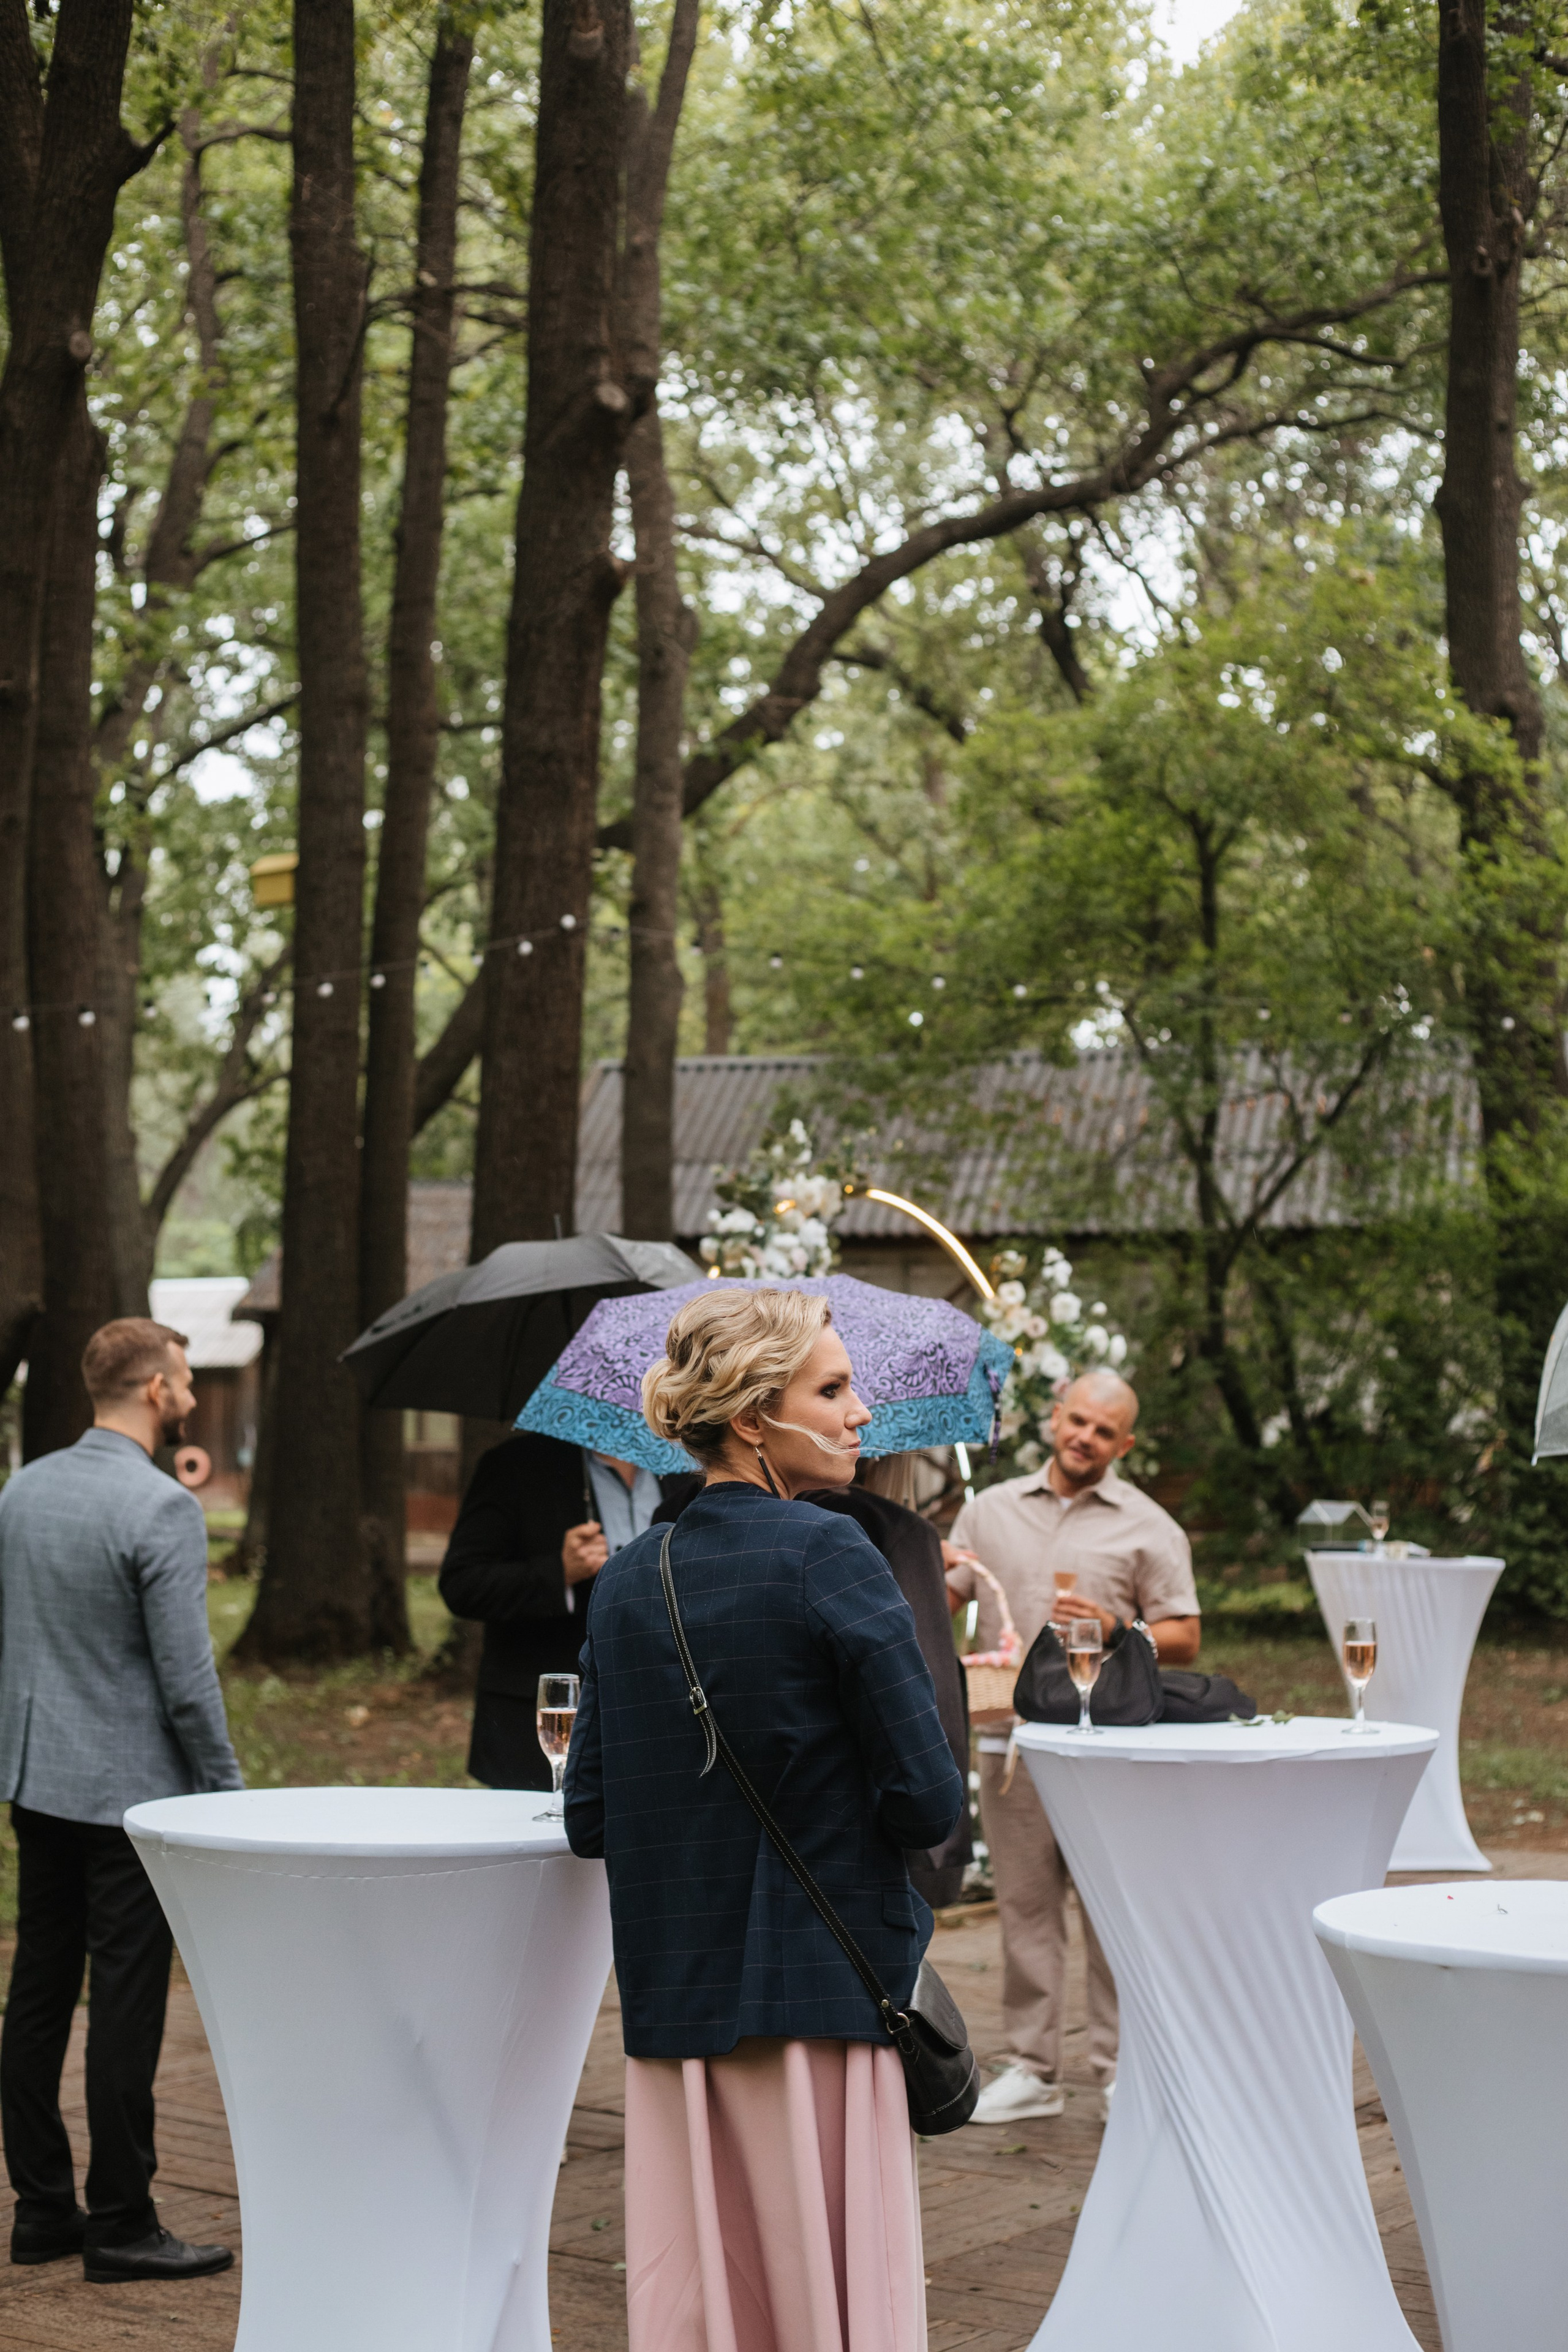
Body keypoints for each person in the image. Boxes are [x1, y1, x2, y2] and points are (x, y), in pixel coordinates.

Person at [565, 1287, 963, 2352]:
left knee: (710, 2315)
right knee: (828, 2312)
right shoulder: (833, 1555)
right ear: (751, 1418)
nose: (861, 1412)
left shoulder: (626, 1580)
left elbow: (592, 1815)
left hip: (676, 2015)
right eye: (832, 1389)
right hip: (822, 2008)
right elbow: (929, 1799)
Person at [0, 1319, 242, 2283]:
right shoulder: (160, 1511)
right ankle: (123, 2222)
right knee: (125, 2007)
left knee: (38, 1994)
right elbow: (188, 1682)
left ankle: (42, 2212)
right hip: (128, 1799)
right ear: (154, 1391)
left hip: (35, 1779)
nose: (187, 1393)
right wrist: (226, 1797)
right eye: (182, 1380)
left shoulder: (23, 1490)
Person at [945, 1368, 1199, 2127]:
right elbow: (944, 1594)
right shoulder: (988, 1510)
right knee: (1024, 1910)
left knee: (1113, 1910)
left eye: (1103, 1430)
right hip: (1009, 1743)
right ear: (1055, 1418)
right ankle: (1032, 2068)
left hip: (1109, 1752)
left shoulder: (1150, 1527)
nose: (1085, 1437)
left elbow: (1184, 1636)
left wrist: (1121, 1630)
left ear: (1124, 1443)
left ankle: (1125, 2069)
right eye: (1077, 1420)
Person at [439, 1430, 692, 1792]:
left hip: (662, 1711)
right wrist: (560, 1572)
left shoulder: (688, 1464)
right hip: (548, 1725)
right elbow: (462, 1583)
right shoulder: (517, 1466)